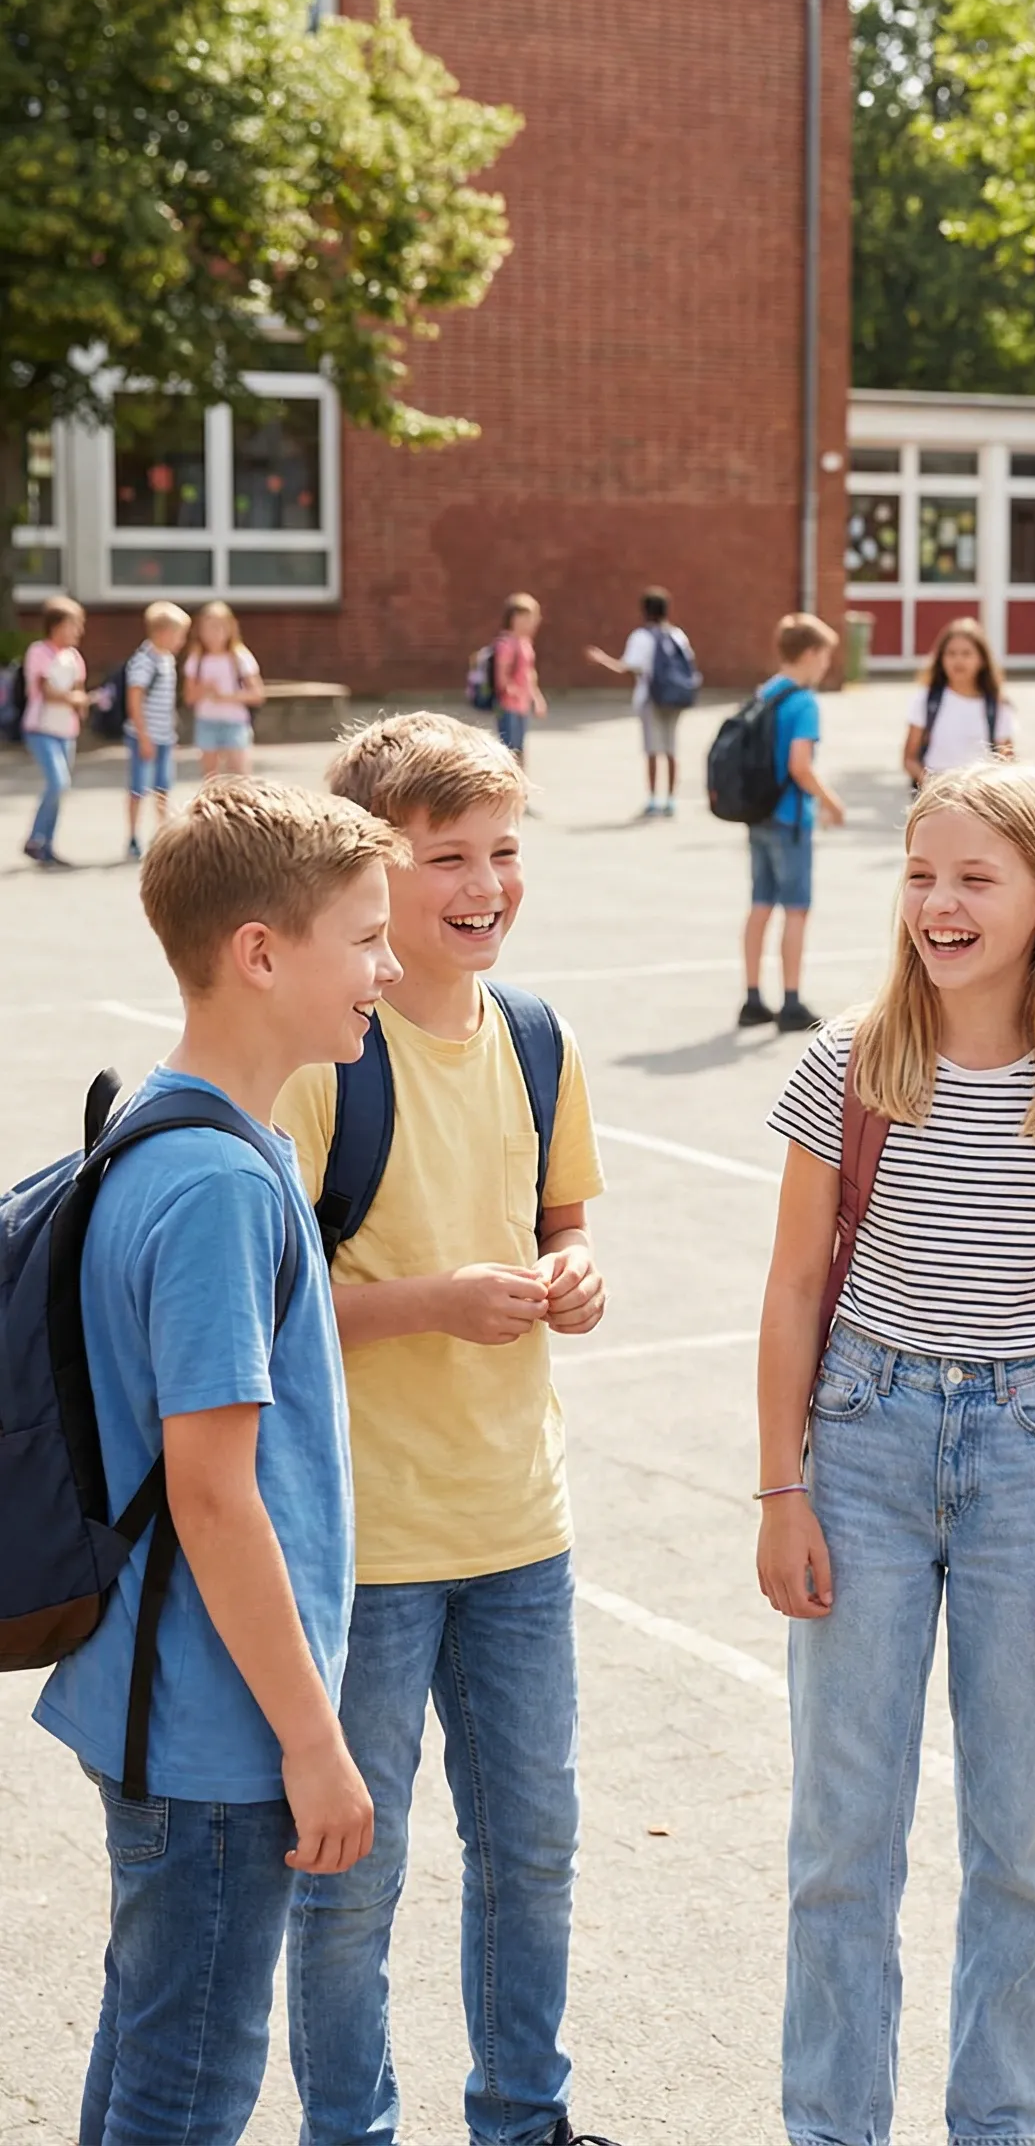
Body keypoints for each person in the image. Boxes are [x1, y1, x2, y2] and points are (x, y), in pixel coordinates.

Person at [756, 760, 1035, 2146]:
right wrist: (782, 1490)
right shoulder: (850, 1064)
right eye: (924, 874)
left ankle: (1000, 2124)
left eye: (977, 878)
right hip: (864, 1449)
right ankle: (832, 2125)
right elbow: (795, 1291)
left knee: (1021, 1847)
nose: (942, 902)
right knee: (842, 1844)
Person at [33, 778, 405, 2144]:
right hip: (211, 1731)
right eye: (366, 936)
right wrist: (315, 1747)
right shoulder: (220, 1190)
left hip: (168, 1703)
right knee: (187, 2093)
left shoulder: (180, 1132)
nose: (391, 965)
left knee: (151, 2050)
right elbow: (212, 1491)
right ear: (260, 952)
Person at [273, 713, 611, 2146]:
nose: (485, 884)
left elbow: (563, 1215)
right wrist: (428, 1302)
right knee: (353, 1873)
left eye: (502, 853)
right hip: (371, 1544)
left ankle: (523, 2121)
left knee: (531, 1856)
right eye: (446, 858)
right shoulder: (321, 1066)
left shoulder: (536, 1036)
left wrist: (576, 1269)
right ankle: (348, 2131)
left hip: (522, 1531)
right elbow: (264, 1319)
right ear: (367, 871)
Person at [740, 612, 845, 1035]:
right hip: (789, 818)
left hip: (758, 814)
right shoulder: (803, 702)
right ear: (810, 653)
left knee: (761, 905)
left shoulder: (765, 693)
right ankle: (791, 1000)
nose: (825, 666)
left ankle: (751, 997)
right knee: (797, 910)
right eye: (825, 657)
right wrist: (831, 802)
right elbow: (800, 764)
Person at [585, 585, 699, 816]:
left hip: (651, 698)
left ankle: (653, 799)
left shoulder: (641, 637)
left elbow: (625, 666)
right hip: (675, 698)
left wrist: (601, 659)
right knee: (671, 749)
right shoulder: (678, 635)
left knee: (652, 750)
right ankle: (671, 800)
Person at [901, 614, 1016, 786]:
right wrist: (933, 786)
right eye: (951, 653)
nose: (958, 660)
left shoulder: (997, 706)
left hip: (980, 795)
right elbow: (909, 758)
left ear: (982, 659)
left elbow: (1006, 760)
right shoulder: (927, 700)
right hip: (936, 793)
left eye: (966, 653)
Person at [21, 594, 90, 868]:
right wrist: (73, 699)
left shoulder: (74, 657)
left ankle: (46, 846)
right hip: (41, 728)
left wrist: (82, 704)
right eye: (74, 624)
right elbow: (47, 691)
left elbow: (79, 690)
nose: (78, 631)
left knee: (61, 789)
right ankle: (35, 838)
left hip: (66, 731)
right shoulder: (39, 652)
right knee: (57, 782)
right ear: (56, 625)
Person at [124, 601, 191, 860]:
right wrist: (143, 736)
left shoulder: (167, 660)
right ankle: (132, 836)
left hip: (164, 735)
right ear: (163, 633)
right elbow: (134, 700)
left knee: (163, 787)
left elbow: (166, 701)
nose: (182, 641)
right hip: (144, 735)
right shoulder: (143, 661)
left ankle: (164, 835)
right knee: (138, 788)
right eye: (179, 635)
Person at [184, 601, 264, 778]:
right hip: (207, 722)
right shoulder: (196, 659)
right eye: (208, 628)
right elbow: (189, 698)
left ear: (230, 629)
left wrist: (226, 697)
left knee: (240, 776)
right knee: (210, 778)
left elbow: (257, 694)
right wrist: (203, 689)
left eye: (219, 627)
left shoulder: (239, 656)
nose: (213, 634)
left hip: (234, 722)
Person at [492, 592, 547, 764]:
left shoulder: (525, 643)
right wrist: (511, 690)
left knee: (520, 748)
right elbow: (501, 676)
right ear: (515, 618)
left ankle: (520, 785)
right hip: (508, 706)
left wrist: (537, 698)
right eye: (529, 618)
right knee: (510, 749)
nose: (533, 623)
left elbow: (529, 673)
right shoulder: (505, 644)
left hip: (521, 706)